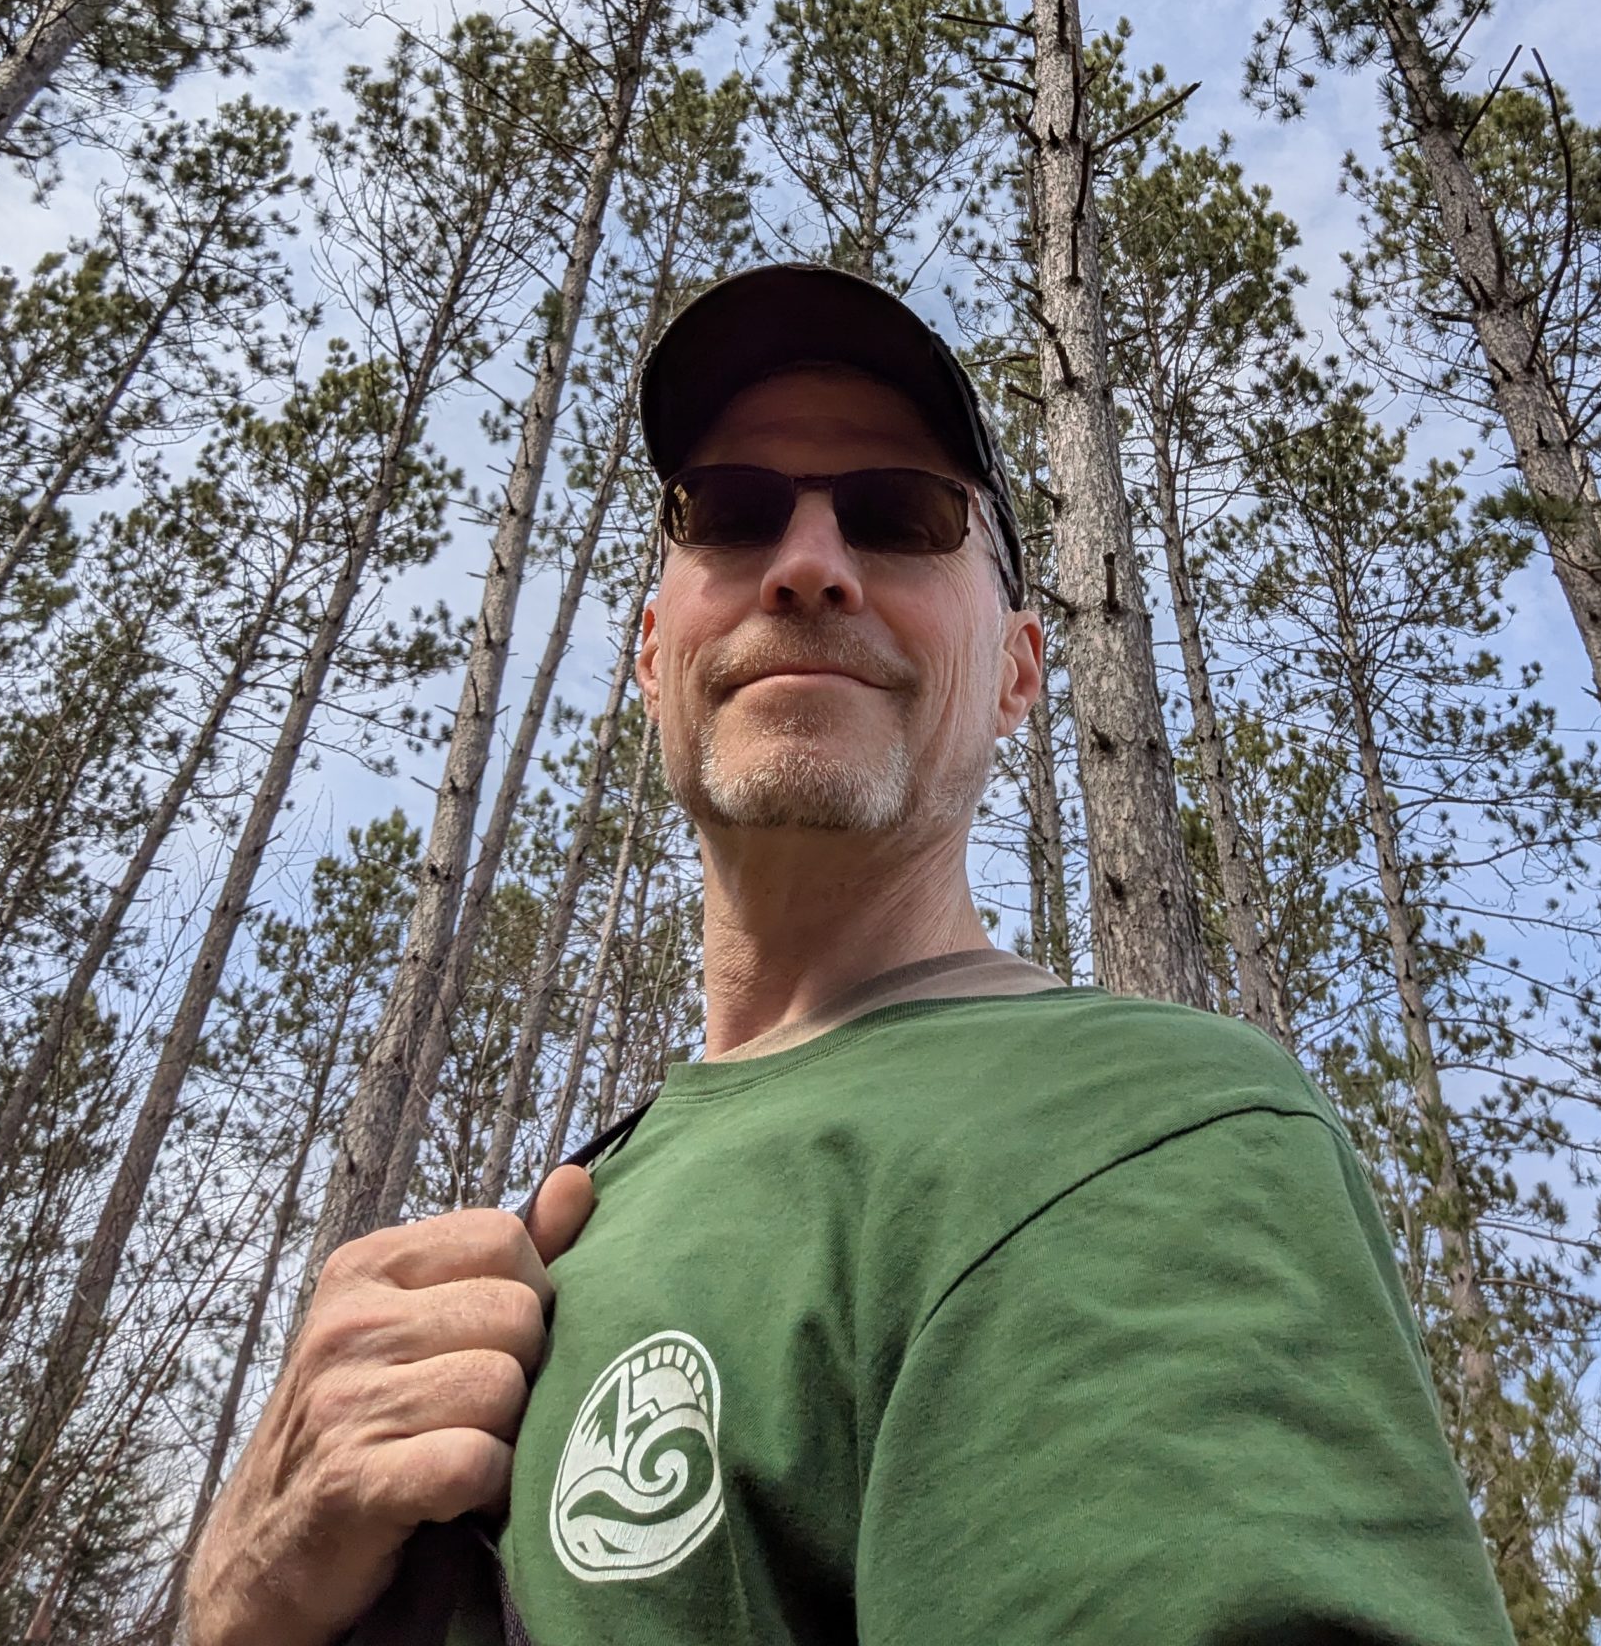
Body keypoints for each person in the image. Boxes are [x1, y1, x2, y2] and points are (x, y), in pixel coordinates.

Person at [184, 264, 1517, 1646]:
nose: (808, 562)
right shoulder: (571, 1215)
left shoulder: (1140, 1122)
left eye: (898, 517)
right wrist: (239, 1596)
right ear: (654, 652)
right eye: (731, 512)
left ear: (1016, 670)